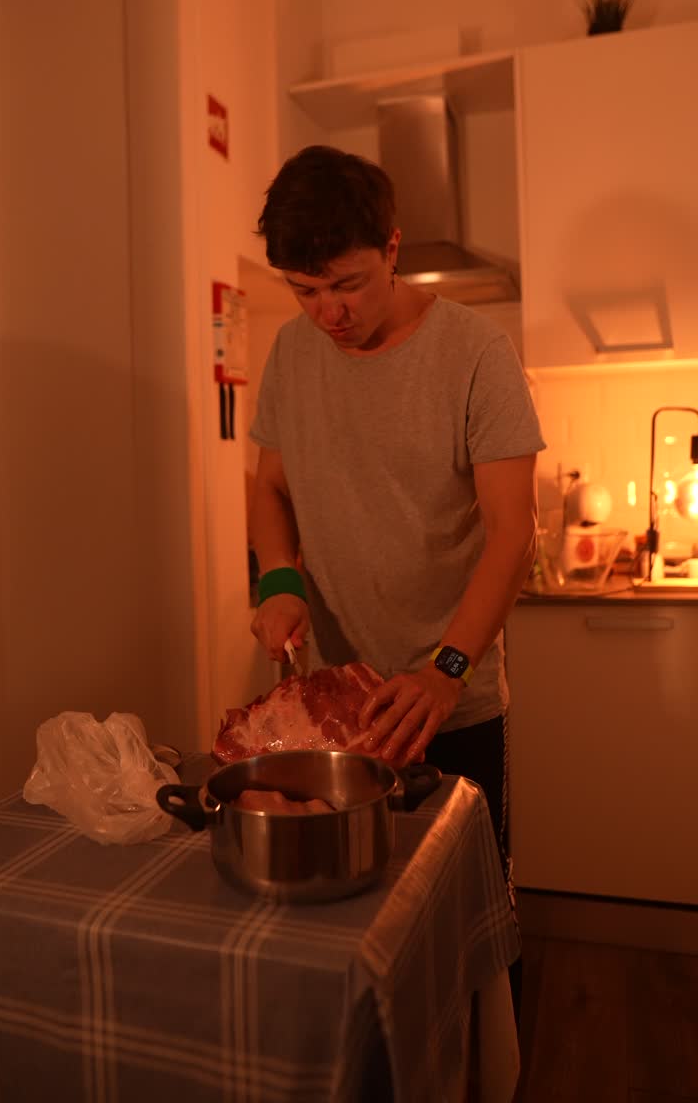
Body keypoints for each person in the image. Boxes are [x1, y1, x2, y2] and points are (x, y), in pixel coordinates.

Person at [248, 144, 546, 1015]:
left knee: (471, 932)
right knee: (362, 933)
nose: (326, 314)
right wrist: (278, 582)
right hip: (343, 701)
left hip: (451, 702)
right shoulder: (293, 353)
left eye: (344, 284)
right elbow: (270, 487)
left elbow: (512, 533)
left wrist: (444, 671)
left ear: (393, 247)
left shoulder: (474, 353)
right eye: (304, 292)